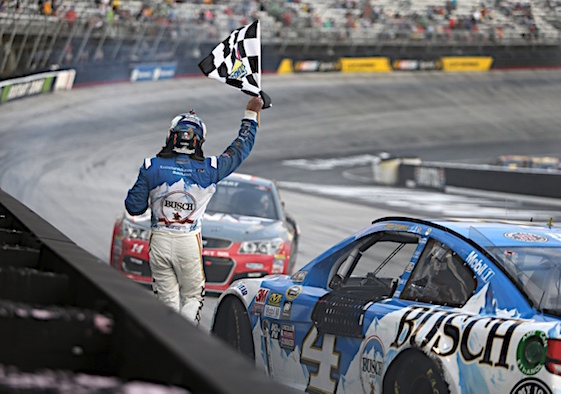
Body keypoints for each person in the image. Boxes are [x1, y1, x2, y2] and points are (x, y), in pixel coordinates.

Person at [124, 96, 264, 325]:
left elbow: (134, 207)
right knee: (192, 296)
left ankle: (165, 342)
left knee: (166, 300)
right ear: (199, 141)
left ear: (171, 137)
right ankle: (184, 340)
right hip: (188, 241)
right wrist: (251, 115)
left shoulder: (151, 166)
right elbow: (240, 149)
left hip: (159, 238)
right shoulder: (210, 168)